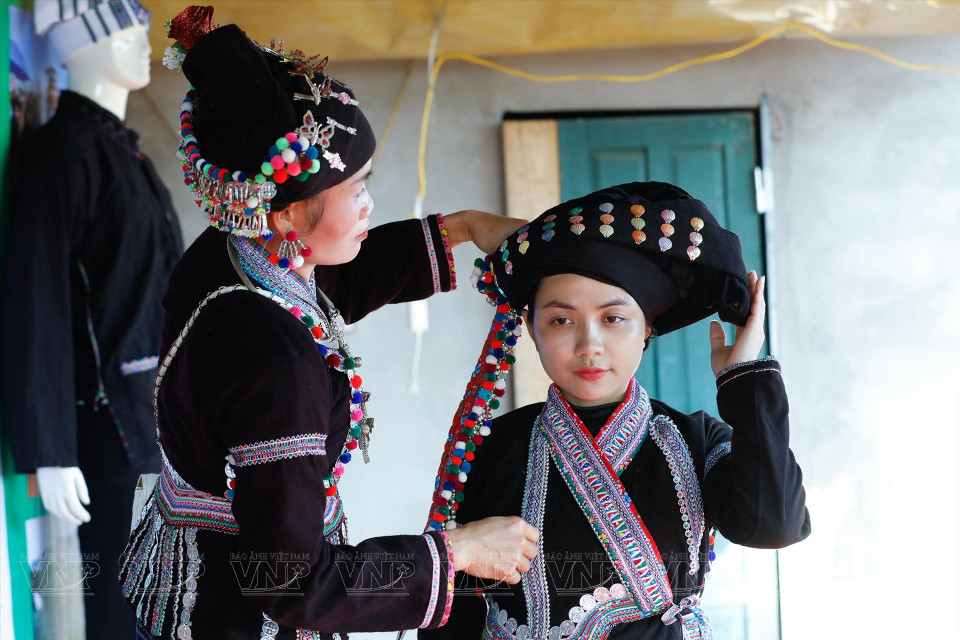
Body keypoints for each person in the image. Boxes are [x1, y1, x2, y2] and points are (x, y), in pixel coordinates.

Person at [120, 7, 537, 639]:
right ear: (285, 213)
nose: (371, 205)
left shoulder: (233, 252)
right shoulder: (277, 370)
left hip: (179, 568)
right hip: (234, 612)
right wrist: (456, 552)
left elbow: (327, 281)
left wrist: (461, 229)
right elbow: (292, 583)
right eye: (358, 190)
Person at [420, 181, 811, 639]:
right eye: (561, 320)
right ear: (530, 328)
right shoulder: (488, 447)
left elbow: (774, 524)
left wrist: (744, 377)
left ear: (647, 327)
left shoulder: (697, 442)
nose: (590, 346)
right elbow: (453, 611)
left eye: (613, 318)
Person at [1, 2, 183, 636]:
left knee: (151, 600)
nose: (143, 42)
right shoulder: (64, 153)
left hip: (146, 418)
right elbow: (37, 297)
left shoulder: (127, 155)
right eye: (126, 30)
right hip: (101, 426)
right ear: (82, 42)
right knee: (113, 603)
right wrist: (48, 449)